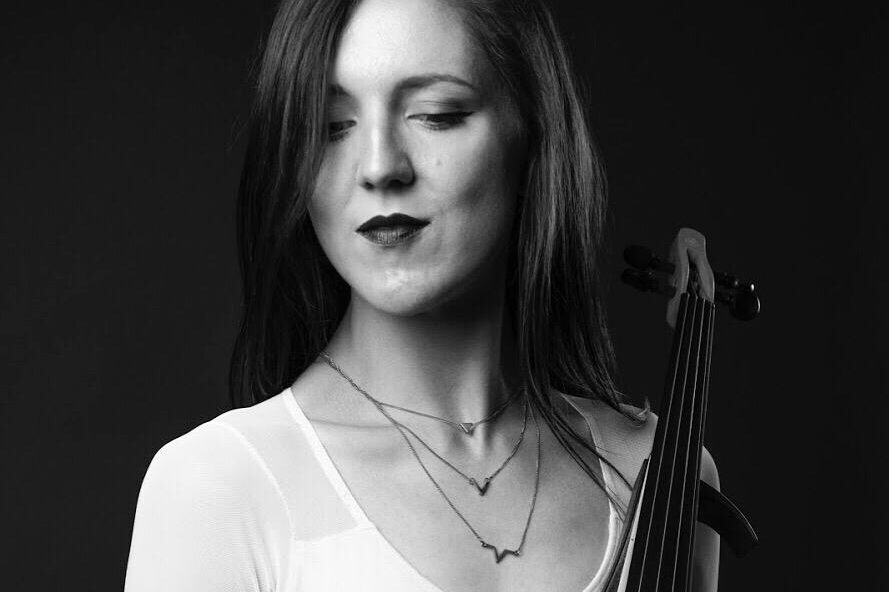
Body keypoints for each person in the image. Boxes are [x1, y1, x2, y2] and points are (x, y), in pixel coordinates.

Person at [125, 0, 720, 590]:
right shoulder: (220, 488)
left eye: (436, 114)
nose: (380, 166)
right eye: (331, 126)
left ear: (533, 131)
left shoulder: (661, 472)